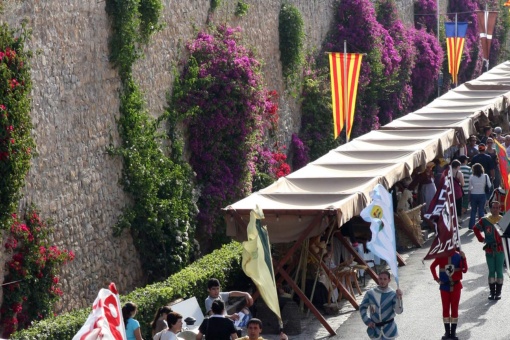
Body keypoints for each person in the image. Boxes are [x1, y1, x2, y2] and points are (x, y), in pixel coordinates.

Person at [430, 249, 468, 340]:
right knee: (445, 308)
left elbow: (464, 270)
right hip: (444, 287)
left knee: (454, 308)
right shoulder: (441, 256)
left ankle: (453, 333)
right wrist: (437, 279)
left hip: (456, 286)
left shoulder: (459, 255)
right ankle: (447, 332)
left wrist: (464, 258)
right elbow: (432, 267)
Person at [473, 201, 505, 300]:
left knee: (499, 271)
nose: (495, 209)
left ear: (500, 209)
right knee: (491, 271)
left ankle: (498, 292)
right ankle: (492, 292)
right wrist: (481, 239)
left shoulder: (503, 220)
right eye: (493, 208)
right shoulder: (485, 220)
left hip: (500, 249)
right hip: (489, 250)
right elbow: (475, 228)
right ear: (490, 209)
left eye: (497, 208)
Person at [359, 270, 403, 339]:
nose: (382, 281)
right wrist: (367, 321)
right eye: (380, 278)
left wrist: (399, 298)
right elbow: (362, 307)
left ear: (389, 280)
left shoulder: (392, 294)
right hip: (375, 331)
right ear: (378, 279)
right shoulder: (370, 293)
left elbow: (399, 311)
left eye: (385, 279)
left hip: (389, 330)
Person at [468, 163, 490, 230]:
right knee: (481, 211)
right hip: (482, 194)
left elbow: (469, 188)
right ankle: (481, 226)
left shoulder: (471, 176)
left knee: (473, 211)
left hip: (473, 194)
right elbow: (489, 185)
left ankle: (472, 226)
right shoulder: (485, 176)